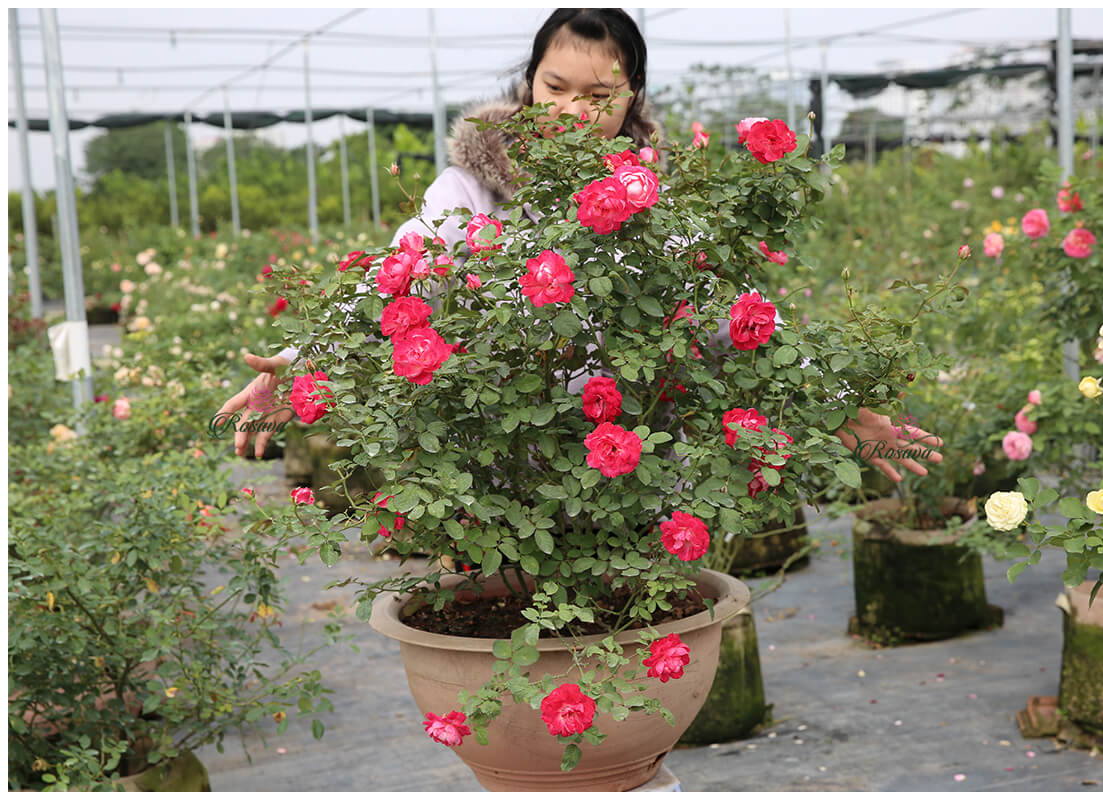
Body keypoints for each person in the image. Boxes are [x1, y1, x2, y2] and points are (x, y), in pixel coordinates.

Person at [220, 8, 941, 483]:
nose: (570, 109)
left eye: (598, 94)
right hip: (496, 469)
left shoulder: (657, 209)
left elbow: (732, 317)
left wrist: (837, 400)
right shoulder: (470, 187)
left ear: (632, 98)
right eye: (555, 85)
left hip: (626, 472)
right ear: (530, 84)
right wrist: (305, 361)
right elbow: (403, 271)